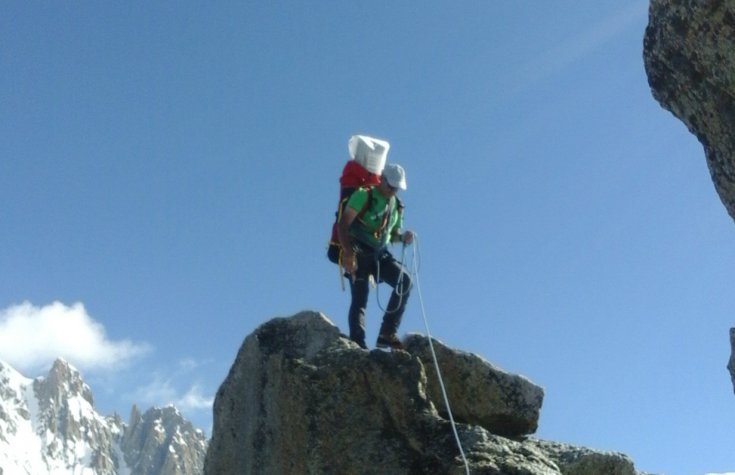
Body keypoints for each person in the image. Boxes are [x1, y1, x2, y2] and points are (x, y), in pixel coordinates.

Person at [337, 163, 414, 350]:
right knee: (360, 297)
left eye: (396, 188)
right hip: (358, 249)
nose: (392, 190)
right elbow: (343, 225)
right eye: (390, 186)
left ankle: (387, 332)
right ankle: (358, 342)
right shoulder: (364, 195)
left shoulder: (396, 205)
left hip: (380, 253)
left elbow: (391, 233)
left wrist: (402, 237)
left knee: (405, 281)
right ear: (382, 180)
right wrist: (348, 253)